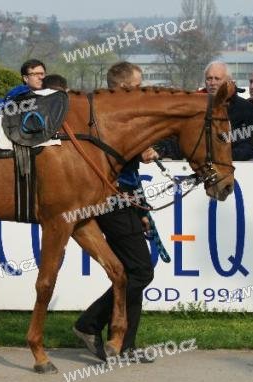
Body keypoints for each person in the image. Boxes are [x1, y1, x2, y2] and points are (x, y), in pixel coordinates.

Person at [73, 61, 158, 364]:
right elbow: (113, 158)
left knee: (133, 271)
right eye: (137, 86)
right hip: (111, 199)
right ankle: (89, 323)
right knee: (141, 271)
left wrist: (142, 207)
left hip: (126, 198)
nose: (141, 91)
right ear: (122, 86)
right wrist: (139, 149)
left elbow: (129, 169)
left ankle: (124, 344)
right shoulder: (107, 115)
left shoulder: (116, 113)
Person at [200, 61, 253, 160]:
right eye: (209, 78)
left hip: (234, 163)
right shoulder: (194, 107)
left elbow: (250, 145)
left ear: (228, 81)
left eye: (217, 79)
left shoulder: (245, 108)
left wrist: (221, 156)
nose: (212, 83)